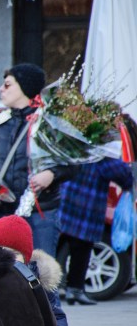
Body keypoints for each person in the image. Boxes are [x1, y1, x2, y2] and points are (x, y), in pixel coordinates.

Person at [0, 63, 77, 256]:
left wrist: (51, 174)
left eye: (7, 84)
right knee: (3, 268)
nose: (0, 89)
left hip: (40, 212)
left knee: (41, 269)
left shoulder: (49, 121)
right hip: (4, 212)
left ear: (24, 87)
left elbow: (75, 163)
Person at [57, 117, 136, 305]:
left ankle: (66, 289)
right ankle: (75, 290)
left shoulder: (75, 142)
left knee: (63, 246)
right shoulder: (103, 151)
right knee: (82, 249)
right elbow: (122, 174)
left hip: (66, 202)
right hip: (87, 206)